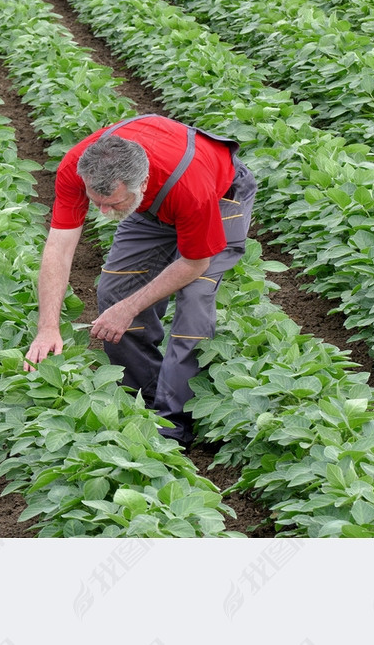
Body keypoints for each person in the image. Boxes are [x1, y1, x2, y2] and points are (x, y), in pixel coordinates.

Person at [24, 112, 257, 446]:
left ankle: (172, 427)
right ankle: (141, 398)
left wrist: (129, 308)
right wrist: (47, 327)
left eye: (112, 204)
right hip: (151, 207)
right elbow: (58, 248)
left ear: (142, 184)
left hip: (218, 197)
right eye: (97, 202)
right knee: (115, 291)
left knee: (193, 302)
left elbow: (194, 262)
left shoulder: (190, 187)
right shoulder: (78, 167)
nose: (103, 213)